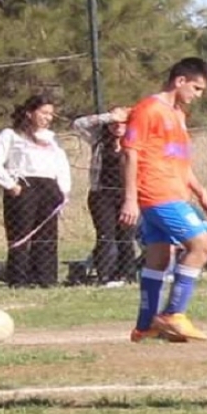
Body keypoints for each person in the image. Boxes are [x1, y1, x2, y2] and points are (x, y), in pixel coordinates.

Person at [120, 57, 207, 343]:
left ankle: (146, 325)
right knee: (202, 246)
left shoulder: (178, 115)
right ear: (180, 81)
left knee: (160, 256)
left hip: (174, 192)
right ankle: (174, 313)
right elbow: (129, 153)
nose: (198, 96)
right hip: (157, 192)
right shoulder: (148, 109)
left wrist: (202, 194)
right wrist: (130, 198)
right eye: (197, 88)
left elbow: (181, 162)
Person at [0, 94, 71, 288]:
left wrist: (63, 192)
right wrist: (11, 186)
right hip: (24, 187)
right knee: (21, 234)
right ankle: (19, 280)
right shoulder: (11, 135)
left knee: (47, 236)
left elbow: (62, 166)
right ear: (29, 113)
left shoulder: (51, 139)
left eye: (51, 114)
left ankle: (46, 279)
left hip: (49, 188)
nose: (48, 117)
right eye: (44, 112)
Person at [72, 106, 137, 286]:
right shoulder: (98, 141)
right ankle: (105, 275)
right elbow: (78, 124)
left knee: (126, 236)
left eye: (122, 122)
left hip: (127, 194)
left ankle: (127, 274)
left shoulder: (134, 142)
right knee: (105, 235)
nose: (117, 126)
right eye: (113, 123)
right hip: (102, 194)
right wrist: (109, 116)